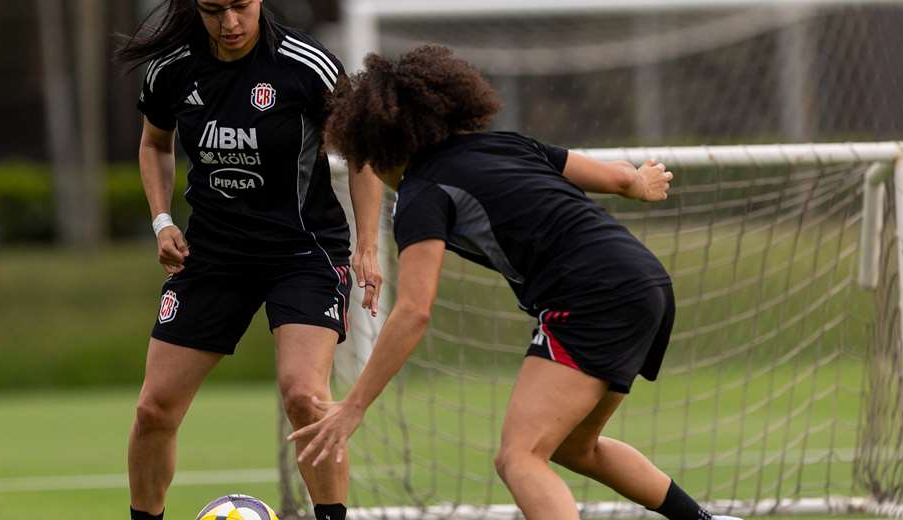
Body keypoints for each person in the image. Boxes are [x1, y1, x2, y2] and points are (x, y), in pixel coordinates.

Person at [288, 46, 742, 520]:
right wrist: (640, 183)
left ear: (376, 146)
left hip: (588, 297)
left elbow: (415, 311)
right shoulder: (505, 143)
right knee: (573, 446)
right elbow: (615, 178)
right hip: (644, 281)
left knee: (519, 456)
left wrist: (354, 405)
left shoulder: (422, 193)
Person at [114, 1, 384, 519]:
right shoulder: (172, 68)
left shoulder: (307, 65)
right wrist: (161, 220)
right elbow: (155, 143)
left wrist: (368, 245)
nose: (231, 23)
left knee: (305, 396)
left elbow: (362, 153)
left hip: (303, 253)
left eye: (241, 6)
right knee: (154, 409)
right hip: (213, 254)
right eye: (215, 10)